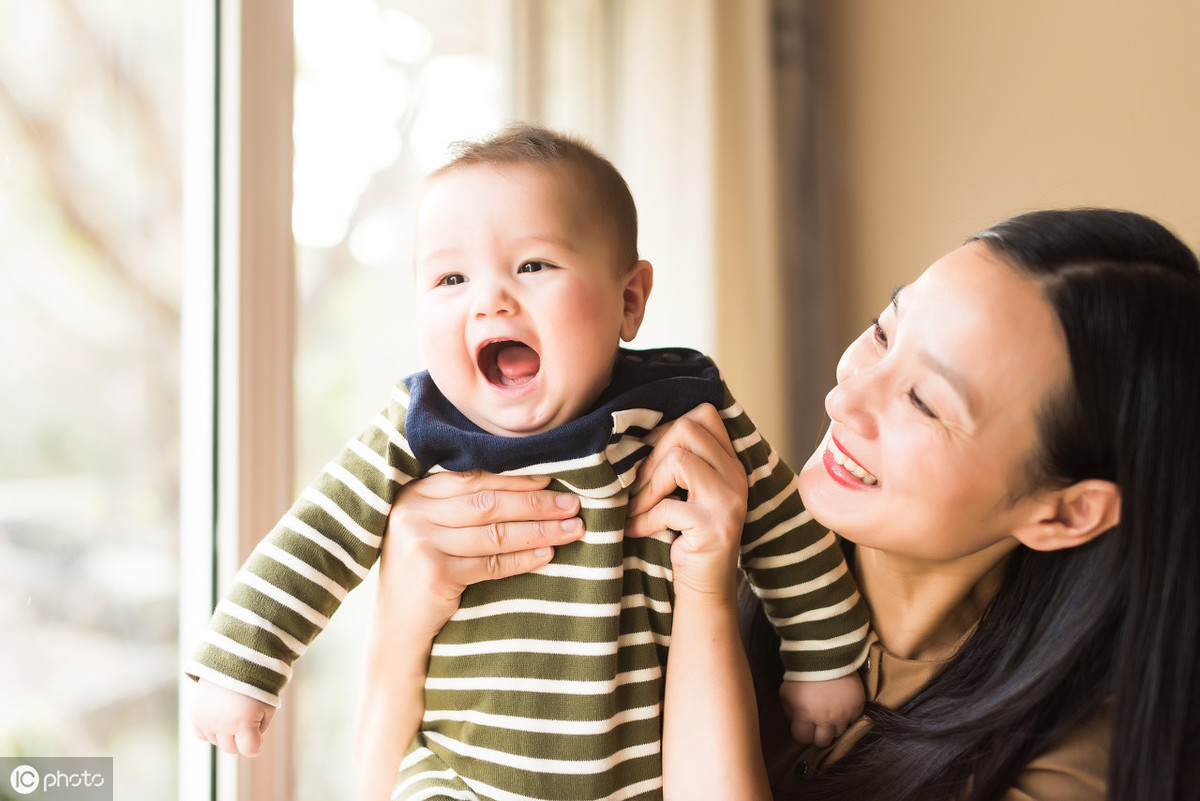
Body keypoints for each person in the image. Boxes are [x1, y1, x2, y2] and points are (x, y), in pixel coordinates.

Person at [367, 208, 1200, 800]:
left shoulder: (1077, 763)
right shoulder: (682, 530)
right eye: (882, 329)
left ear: (1066, 512)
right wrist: (407, 616)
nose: (848, 396)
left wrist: (701, 597)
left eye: (926, 402)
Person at [185, 123, 870, 801]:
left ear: (629, 299)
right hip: (459, 779)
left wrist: (825, 660)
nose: (489, 298)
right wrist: (241, 666)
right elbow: (315, 537)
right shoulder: (420, 423)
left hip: (640, 779)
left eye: (532, 266)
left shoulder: (683, 409)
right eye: (451, 276)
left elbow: (784, 529)